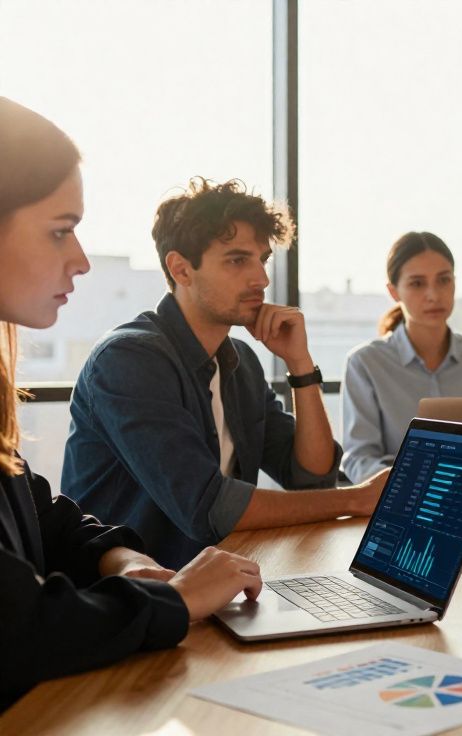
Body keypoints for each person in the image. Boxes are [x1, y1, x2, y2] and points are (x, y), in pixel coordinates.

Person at [0, 97, 262, 710]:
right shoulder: (132, 358)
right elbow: (16, 627)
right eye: (60, 230)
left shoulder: (241, 363)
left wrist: (118, 557)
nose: (81, 259)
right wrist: (175, 600)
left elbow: (36, 509)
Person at [63, 178, 389, 569]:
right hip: (131, 595)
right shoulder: (129, 359)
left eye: (262, 260)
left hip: (223, 582)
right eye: (237, 260)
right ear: (181, 269)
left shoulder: (241, 362)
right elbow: (208, 508)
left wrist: (300, 364)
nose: (261, 279)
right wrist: (356, 498)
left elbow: (311, 477)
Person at [341, 231, 462, 483]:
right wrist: (407, 482)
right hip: (402, 498)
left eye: (443, 280)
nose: (433, 294)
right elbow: (359, 460)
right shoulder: (365, 363)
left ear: (455, 283)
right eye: (417, 283)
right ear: (394, 292)